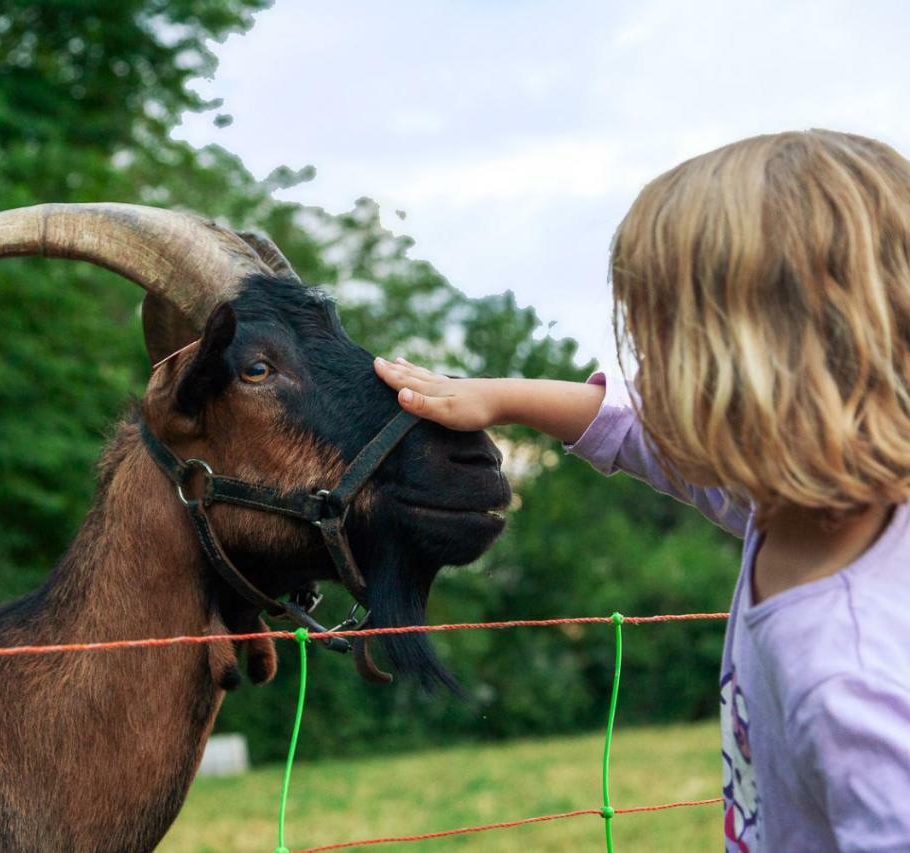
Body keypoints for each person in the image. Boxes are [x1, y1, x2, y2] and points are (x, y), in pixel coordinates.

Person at [375, 130, 910, 852]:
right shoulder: (806, 503)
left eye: (662, 344)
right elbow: (639, 436)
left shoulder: (850, 675)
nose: (645, 371)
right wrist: (494, 397)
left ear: (752, 375)